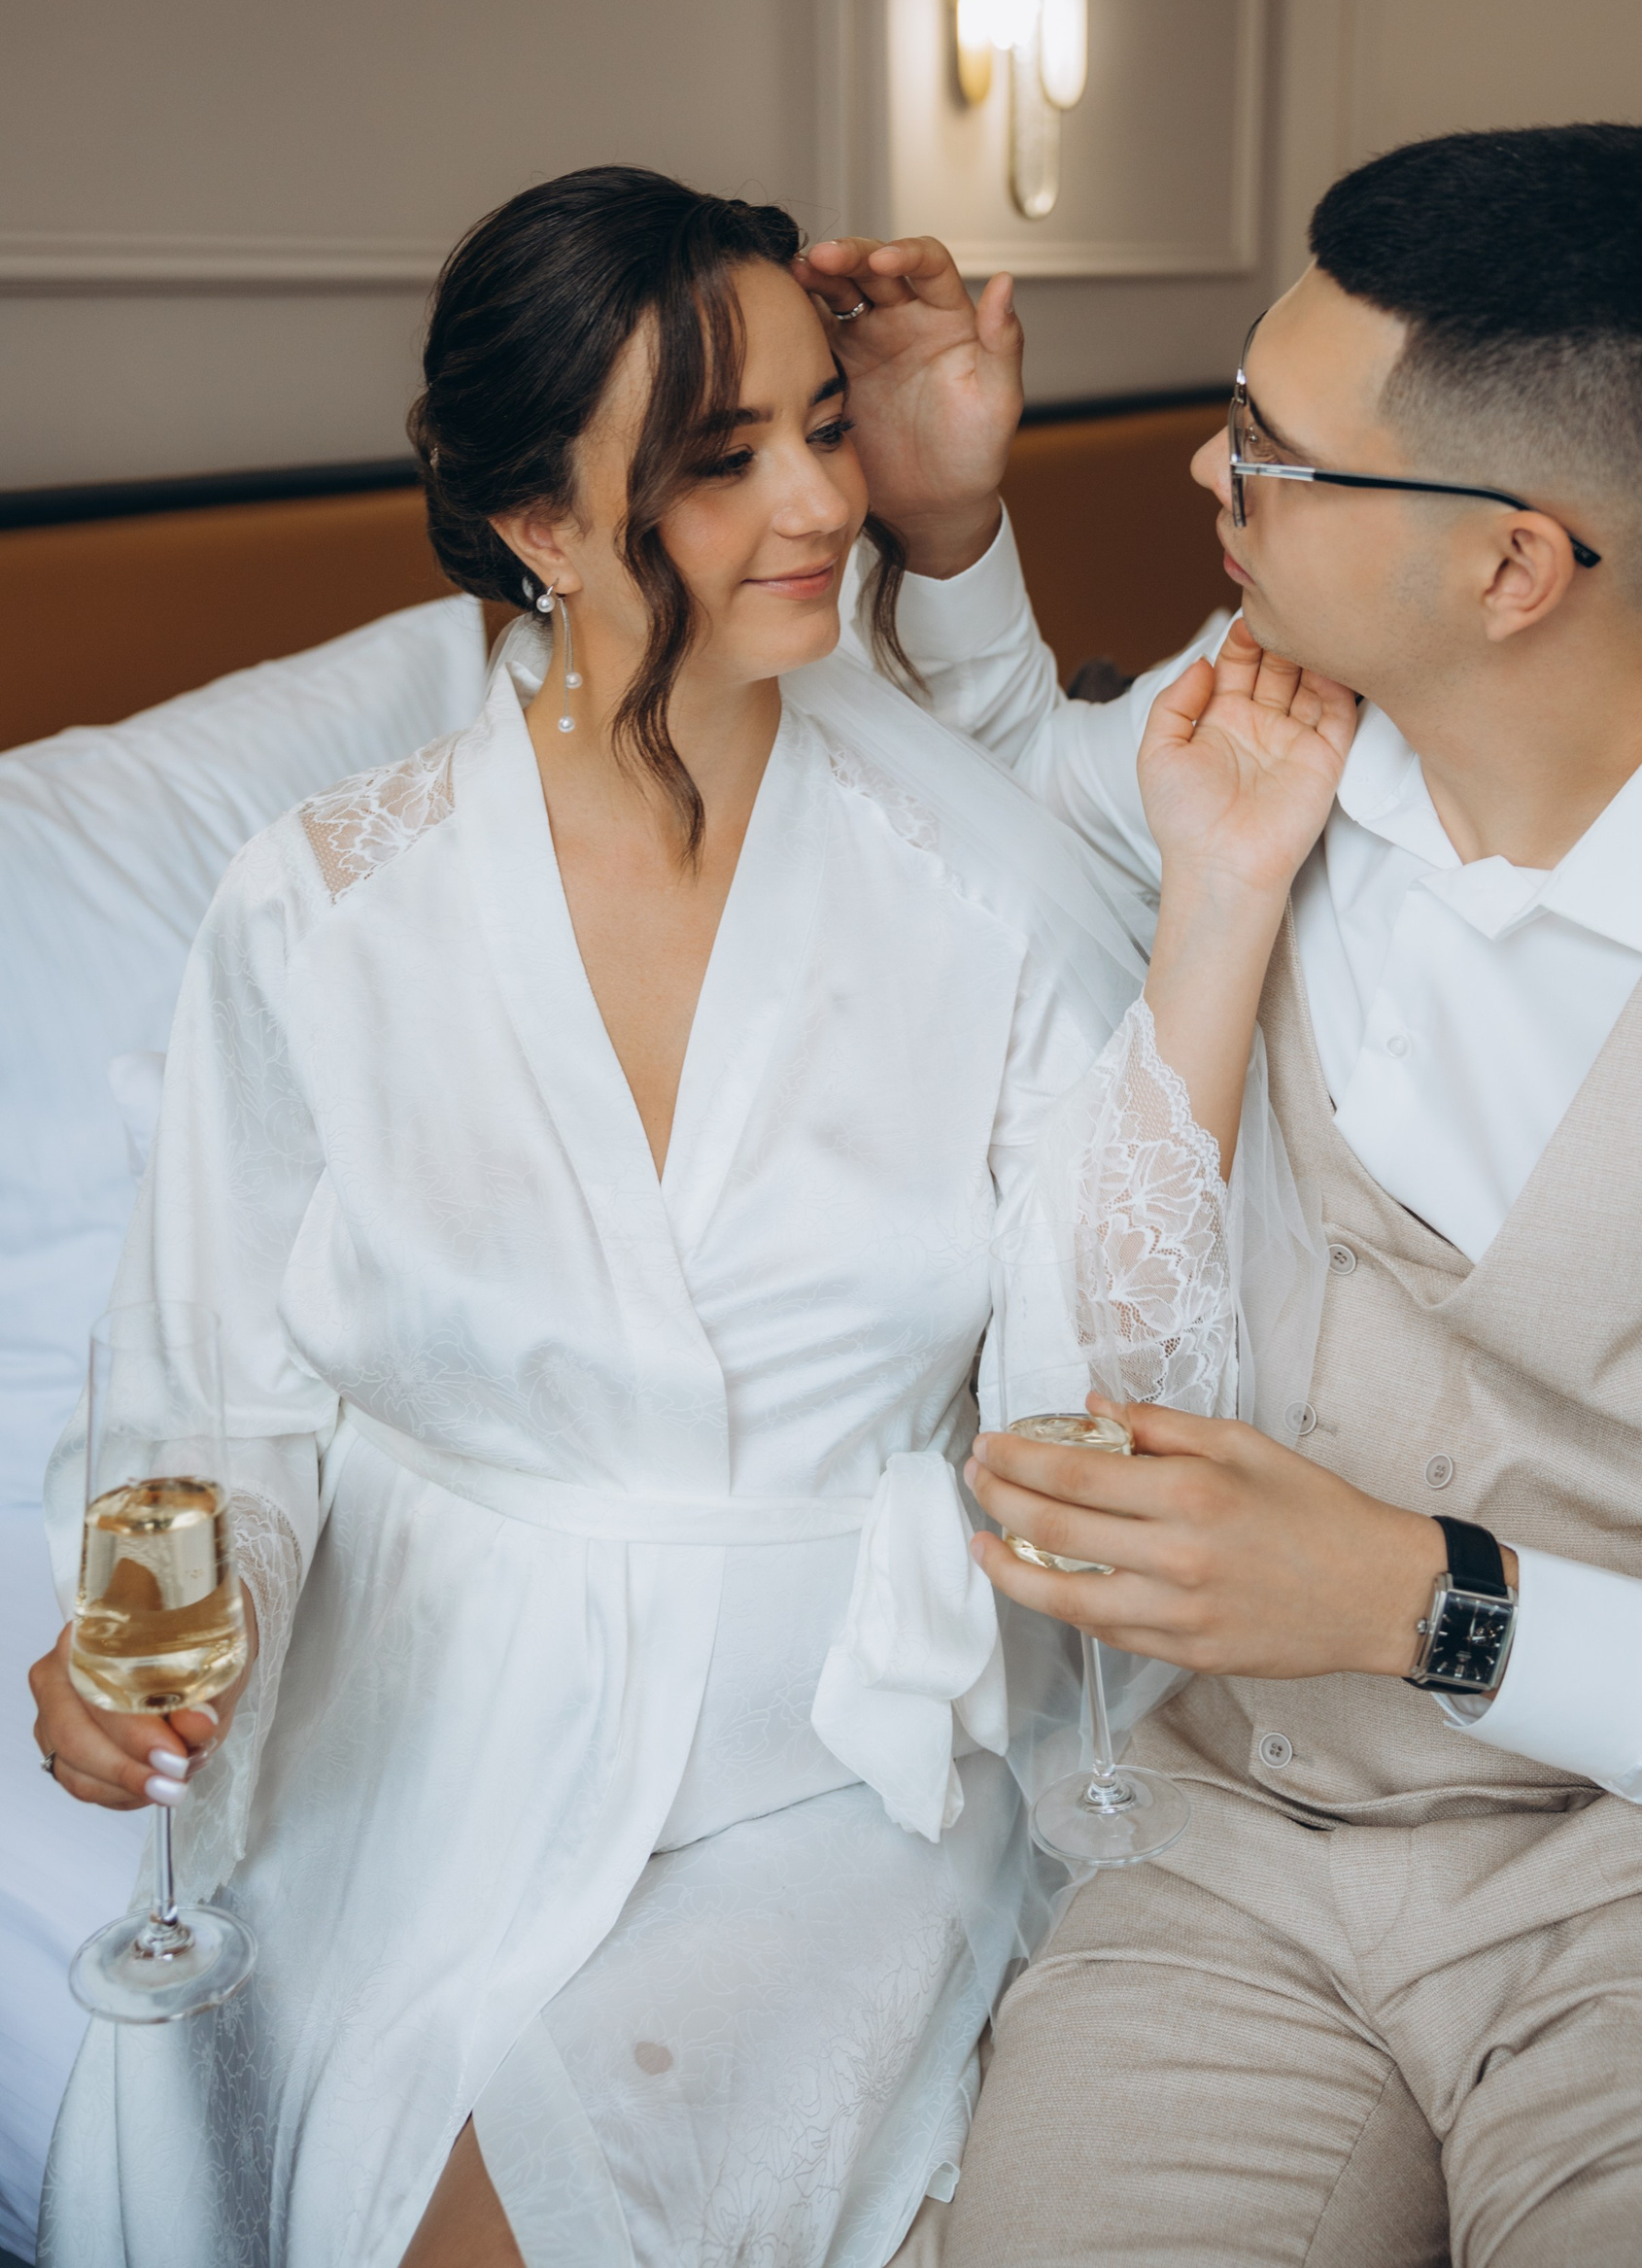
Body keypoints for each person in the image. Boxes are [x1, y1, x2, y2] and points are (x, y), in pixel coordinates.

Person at [26, 167, 1156, 2268]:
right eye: (720, 461)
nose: (816, 503)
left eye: (825, 426)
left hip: (833, 1764)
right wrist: (154, 1659)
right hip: (429, 1748)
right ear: (538, 523)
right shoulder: (324, 911)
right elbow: (209, 1403)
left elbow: (1120, 1354)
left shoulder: (964, 886)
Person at [807, 125, 1642, 2264]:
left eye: (1268, 448)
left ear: (1512, 568)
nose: (1208, 473)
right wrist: (947, 523)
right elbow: (970, 820)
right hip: (1229, 1853)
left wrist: (1420, 1602)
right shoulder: (1262, 722)